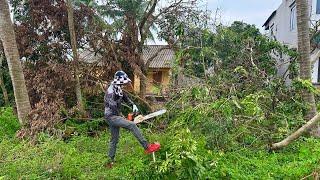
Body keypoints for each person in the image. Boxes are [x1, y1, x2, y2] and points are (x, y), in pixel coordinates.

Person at [104, 70, 160, 168]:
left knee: (114, 140)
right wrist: (125, 119)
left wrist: (133, 104)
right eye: (124, 82)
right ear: (119, 81)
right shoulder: (110, 91)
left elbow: (125, 97)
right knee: (132, 125)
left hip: (113, 116)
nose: (125, 84)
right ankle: (147, 147)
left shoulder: (118, 88)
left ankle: (110, 161)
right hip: (111, 116)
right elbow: (112, 106)